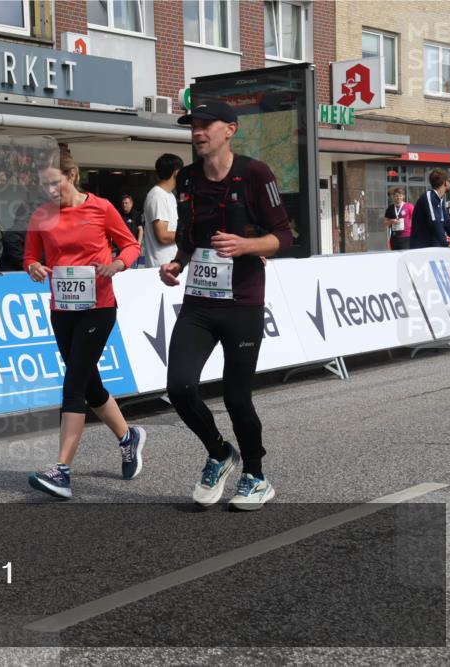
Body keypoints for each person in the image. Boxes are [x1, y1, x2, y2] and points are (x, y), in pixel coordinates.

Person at [158, 102, 292, 511]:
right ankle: (219, 453)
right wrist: (177, 263)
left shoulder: (255, 174)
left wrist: (246, 245)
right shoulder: (187, 178)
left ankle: (255, 475)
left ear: (230, 130)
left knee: (236, 398)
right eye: (193, 127)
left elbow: (284, 236)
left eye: (206, 125)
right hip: (198, 302)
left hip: (242, 303)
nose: (197, 132)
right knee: (179, 388)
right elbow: (191, 236)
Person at [24, 151, 145, 500]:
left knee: (74, 383)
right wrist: (33, 267)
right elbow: (30, 256)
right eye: (44, 185)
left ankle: (61, 471)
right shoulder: (41, 215)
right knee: (90, 386)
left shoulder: (101, 208)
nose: (50, 191)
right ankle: (128, 437)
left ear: (73, 175)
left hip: (98, 308)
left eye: (55, 182)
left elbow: (130, 244)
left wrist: (118, 264)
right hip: (62, 310)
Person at [141, 153, 185, 268]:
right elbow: (163, 236)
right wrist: (187, 234)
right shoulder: (157, 196)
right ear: (176, 173)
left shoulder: (169, 195)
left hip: (171, 265)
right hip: (161, 267)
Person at [410, 169, 450, 250]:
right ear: (445, 182)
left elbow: (447, 222)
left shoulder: (440, 200)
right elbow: (434, 222)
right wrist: (446, 243)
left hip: (433, 247)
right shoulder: (429, 196)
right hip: (422, 248)